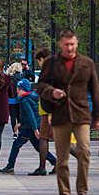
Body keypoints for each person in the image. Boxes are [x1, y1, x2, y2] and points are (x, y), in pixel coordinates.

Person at [37, 29, 99, 195]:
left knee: (84, 151)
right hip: (60, 115)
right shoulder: (51, 63)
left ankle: (82, 193)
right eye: (66, 44)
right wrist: (52, 92)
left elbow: (95, 91)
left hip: (81, 114)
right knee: (62, 157)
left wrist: (98, 117)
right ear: (60, 44)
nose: (69, 48)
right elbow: (40, 86)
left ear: (77, 43)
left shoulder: (87, 63)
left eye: (72, 44)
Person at [31, 48, 77, 176]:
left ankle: (42, 167)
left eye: (39, 61)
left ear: (42, 59)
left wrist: (51, 113)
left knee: (44, 138)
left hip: (49, 110)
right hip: (54, 109)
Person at [0, 79, 57, 174]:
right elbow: (33, 114)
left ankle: (10, 166)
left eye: (19, 89)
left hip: (29, 128)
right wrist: (20, 123)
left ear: (24, 90)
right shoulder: (33, 97)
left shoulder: (25, 100)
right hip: (33, 126)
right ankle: (55, 162)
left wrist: (34, 130)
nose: (17, 91)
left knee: (16, 145)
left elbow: (31, 116)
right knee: (38, 147)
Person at [6, 63, 23, 139]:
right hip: (19, 98)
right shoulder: (20, 75)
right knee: (20, 116)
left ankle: (14, 132)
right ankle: (20, 131)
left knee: (13, 117)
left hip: (11, 99)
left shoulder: (8, 76)